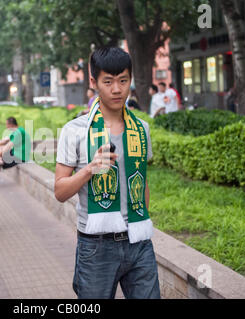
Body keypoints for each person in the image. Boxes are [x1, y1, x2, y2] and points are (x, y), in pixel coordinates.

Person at [55, 47, 160, 299]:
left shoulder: (141, 128)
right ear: (93, 82)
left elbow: (141, 181)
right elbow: (59, 190)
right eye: (108, 81)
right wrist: (90, 169)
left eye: (123, 81)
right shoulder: (75, 130)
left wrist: (141, 220)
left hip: (138, 242)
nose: (117, 89)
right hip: (96, 246)